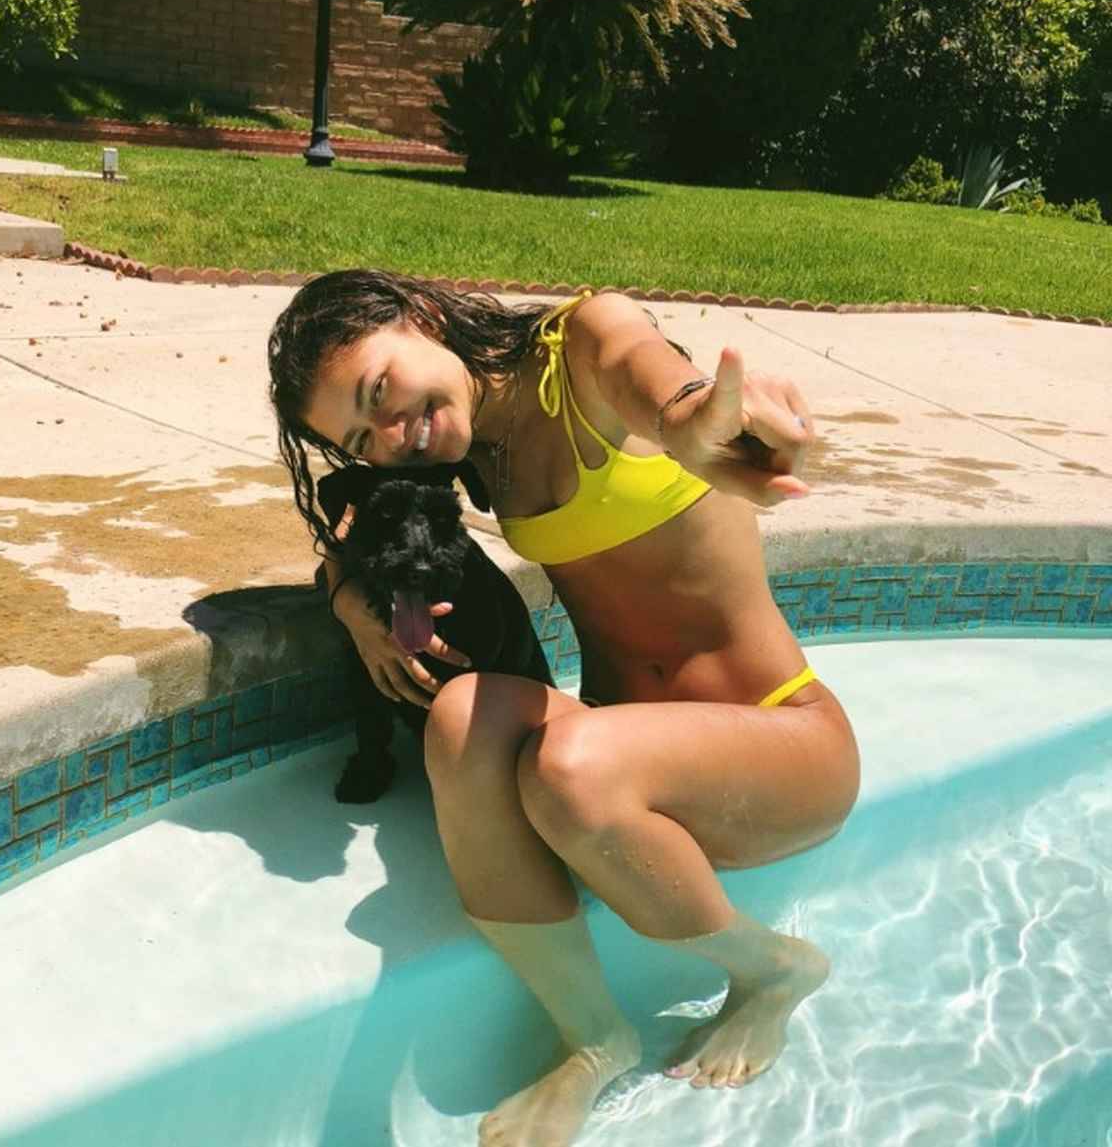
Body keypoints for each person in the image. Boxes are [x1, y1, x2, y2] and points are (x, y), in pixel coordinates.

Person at [268, 270, 860, 1147]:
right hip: (625, 758)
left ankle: (773, 969)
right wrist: (351, 603)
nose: (393, 433)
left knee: (568, 769)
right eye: (363, 436)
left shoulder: (583, 346)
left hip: (781, 742)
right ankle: (594, 1036)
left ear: (420, 315)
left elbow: (656, 383)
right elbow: (352, 540)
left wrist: (699, 422)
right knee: (459, 720)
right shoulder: (462, 443)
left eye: (380, 390)